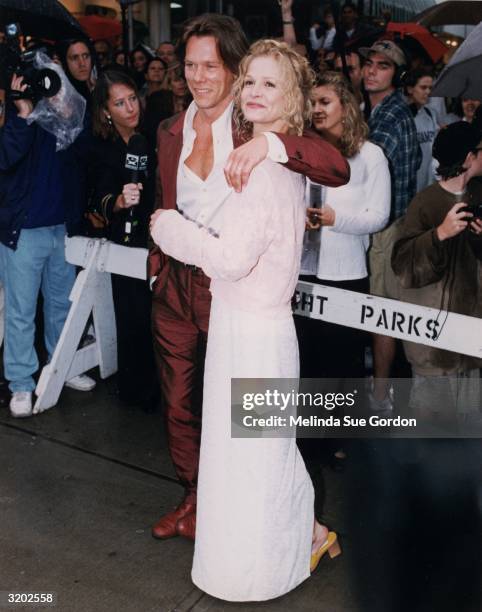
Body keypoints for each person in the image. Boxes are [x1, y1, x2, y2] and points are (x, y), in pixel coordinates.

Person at [151, 38, 341, 603]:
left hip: (252, 331)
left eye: (268, 83)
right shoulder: (245, 148)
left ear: (293, 98)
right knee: (255, 451)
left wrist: (168, 229)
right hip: (242, 324)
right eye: (251, 81)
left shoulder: (268, 158)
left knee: (258, 455)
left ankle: (279, 554)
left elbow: (231, 258)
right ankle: (302, 535)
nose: (254, 92)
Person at [296, 71, 390, 468]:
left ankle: (337, 439)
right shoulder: (300, 149)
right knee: (306, 358)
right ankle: (305, 439)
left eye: (325, 102)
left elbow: (379, 216)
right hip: (301, 269)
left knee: (342, 362)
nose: (316, 109)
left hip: (345, 271)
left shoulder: (369, 155)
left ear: (345, 107)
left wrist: (336, 217)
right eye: (312, 103)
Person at [0, 72, 95, 418]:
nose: (44, 84)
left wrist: (67, 110)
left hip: (61, 228)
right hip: (23, 230)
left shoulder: (64, 117)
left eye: (50, 75)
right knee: (21, 311)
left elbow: (86, 155)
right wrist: (23, 113)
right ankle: (21, 384)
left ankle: (62, 367)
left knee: (61, 305)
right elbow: (4, 159)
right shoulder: (15, 115)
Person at [392, 121, 482, 419]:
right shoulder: (426, 203)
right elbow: (404, 268)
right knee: (433, 431)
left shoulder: (478, 195)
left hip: (472, 342)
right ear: (469, 157)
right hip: (434, 344)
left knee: (469, 429)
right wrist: (440, 234)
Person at [90, 70, 158, 411]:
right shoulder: (103, 149)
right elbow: (98, 195)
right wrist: (118, 201)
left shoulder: (156, 134)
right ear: (105, 110)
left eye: (133, 98)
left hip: (161, 239)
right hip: (125, 242)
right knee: (133, 317)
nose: (130, 107)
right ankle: (137, 390)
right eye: (119, 103)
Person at [359, 40, 421, 410]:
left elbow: (363, 173)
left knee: (382, 311)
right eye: (369, 63)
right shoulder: (380, 109)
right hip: (382, 224)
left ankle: (381, 394)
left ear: (397, 76)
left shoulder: (392, 116)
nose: (371, 70)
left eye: (382, 66)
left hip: (387, 227)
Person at [404, 67, 438, 192]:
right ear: (410, 89)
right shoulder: (403, 117)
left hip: (428, 183)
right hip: (409, 185)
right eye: (423, 88)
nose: (428, 92)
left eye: (430, 88)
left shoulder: (430, 114)